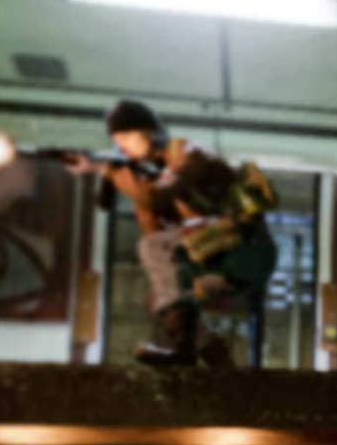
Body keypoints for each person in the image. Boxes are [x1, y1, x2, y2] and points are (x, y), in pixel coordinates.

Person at [86, 99, 277, 367]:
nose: (122, 147)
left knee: (154, 252)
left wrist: (106, 170)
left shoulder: (187, 154)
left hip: (245, 250)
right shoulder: (158, 177)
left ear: (148, 132)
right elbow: (151, 224)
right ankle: (216, 361)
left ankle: (183, 349)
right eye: (117, 142)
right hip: (218, 256)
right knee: (161, 296)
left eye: (126, 138)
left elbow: (155, 201)